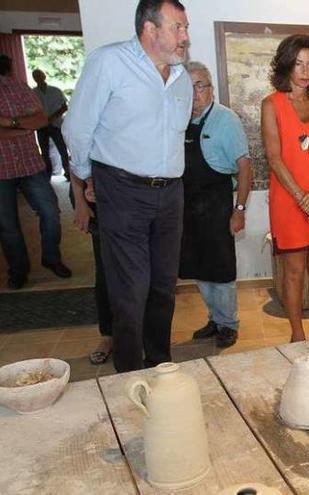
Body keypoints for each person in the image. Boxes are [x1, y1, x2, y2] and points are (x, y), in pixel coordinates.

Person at [62, 0, 192, 372]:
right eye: (177, 27)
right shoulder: (110, 63)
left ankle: (159, 364)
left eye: (185, 28)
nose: (185, 36)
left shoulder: (181, 76)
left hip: (170, 194)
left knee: (164, 287)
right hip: (122, 190)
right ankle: (130, 375)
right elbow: (77, 127)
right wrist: (87, 176)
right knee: (130, 291)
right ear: (150, 29)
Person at [261, 35, 309, 342]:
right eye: (299, 64)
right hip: (289, 200)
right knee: (293, 272)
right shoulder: (272, 104)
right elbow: (274, 158)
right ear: (286, 65)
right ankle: (296, 333)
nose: (305, 71)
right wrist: (303, 200)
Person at [182, 61, 252, 348]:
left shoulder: (226, 120)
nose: (195, 92)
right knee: (199, 266)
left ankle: (228, 324)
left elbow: (245, 167)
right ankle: (214, 319)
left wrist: (240, 209)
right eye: (189, 87)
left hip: (217, 202)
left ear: (210, 88)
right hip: (188, 204)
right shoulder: (180, 119)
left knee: (221, 269)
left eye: (201, 85)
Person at [0, 54, 71, 290]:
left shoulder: (18, 87)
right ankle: (18, 270)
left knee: (51, 212)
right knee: (7, 224)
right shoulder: (22, 89)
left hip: (30, 165)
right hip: (2, 170)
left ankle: (51, 257)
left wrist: (8, 123)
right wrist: (23, 125)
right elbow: (33, 122)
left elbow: (41, 120)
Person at [70, 175, 113, 364]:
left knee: (147, 273)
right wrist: (80, 202)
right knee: (106, 271)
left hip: (141, 198)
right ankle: (108, 335)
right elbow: (76, 161)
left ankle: (145, 336)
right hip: (102, 202)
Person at [32, 69, 70, 179]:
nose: (38, 78)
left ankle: (67, 172)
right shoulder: (32, 93)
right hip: (41, 126)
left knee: (62, 149)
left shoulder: (55, 90)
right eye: (35, 76)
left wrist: (52, 118)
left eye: (39, 75)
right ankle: (47, 174)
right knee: (44, 152)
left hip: (56, 124)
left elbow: (64, 107)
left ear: (44, 76)